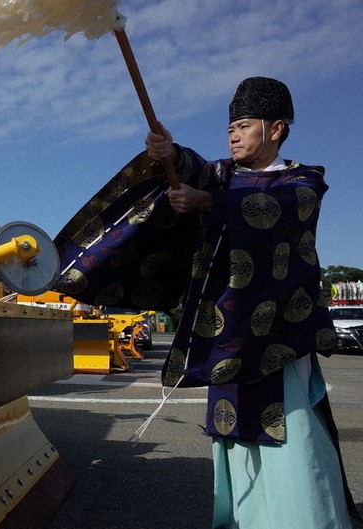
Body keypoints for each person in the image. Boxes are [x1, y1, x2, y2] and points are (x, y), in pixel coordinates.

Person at [144, 77, 360, 528]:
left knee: (294, 432)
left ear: (276, 129)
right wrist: (170, 153)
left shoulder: (303, 180)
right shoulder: (221, 176)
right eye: (230, 129)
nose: (233, 136)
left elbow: (276, 206)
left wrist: (208, 203)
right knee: (234, 433)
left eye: (244, 126)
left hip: (281, 335)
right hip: (229, 331)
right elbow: (192, 169)